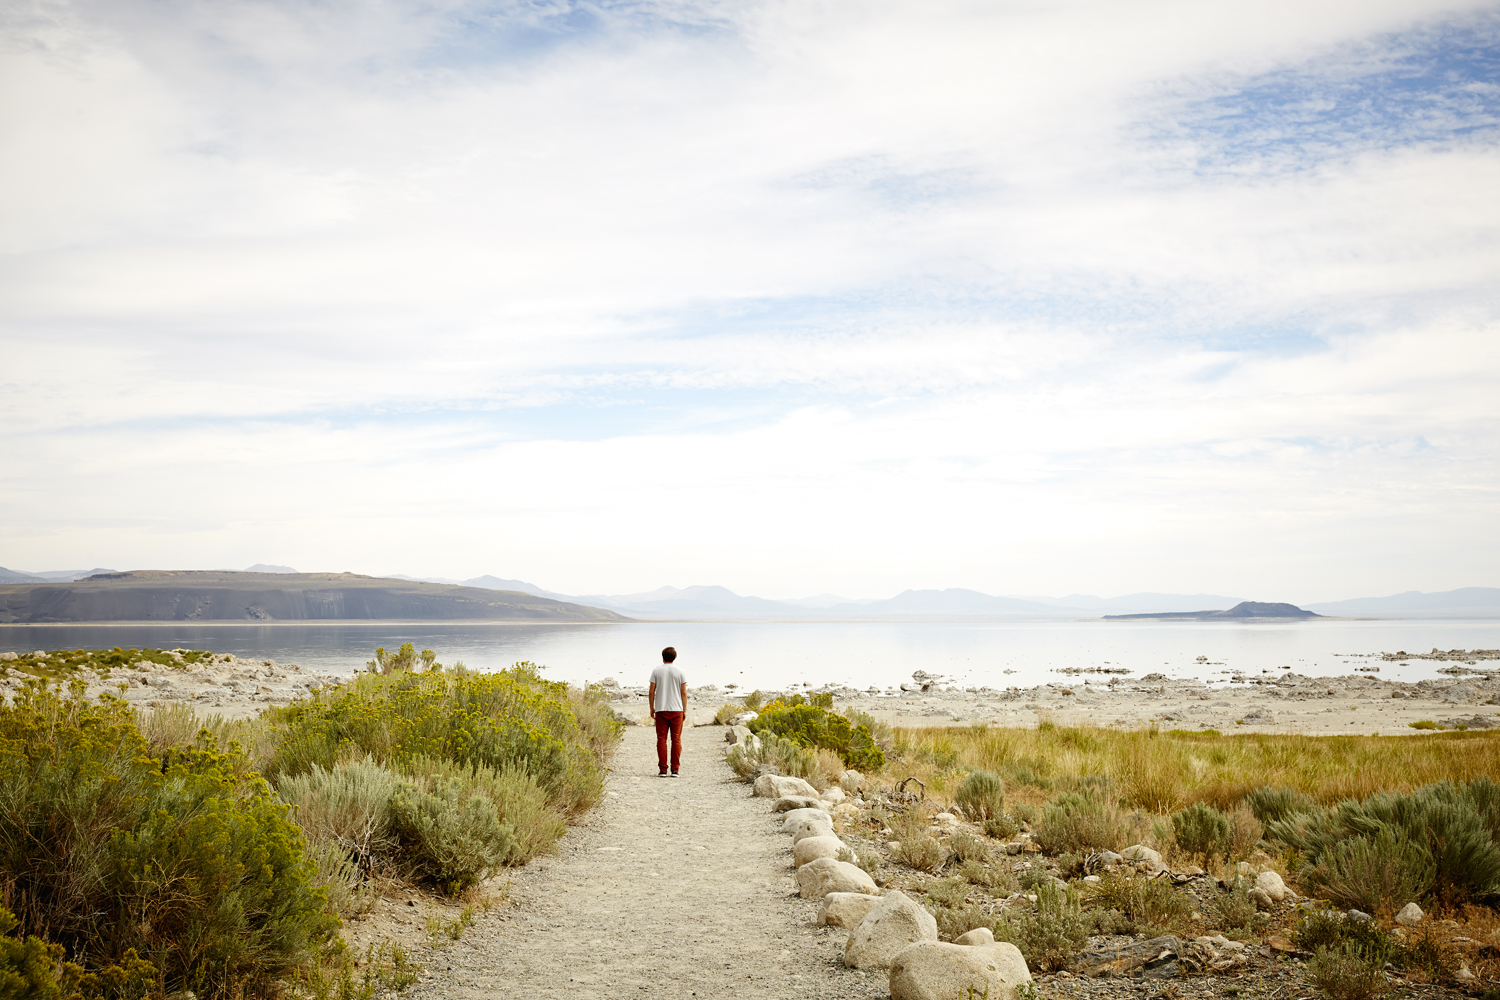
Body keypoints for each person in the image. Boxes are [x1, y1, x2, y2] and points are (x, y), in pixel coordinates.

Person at [648, 646, 687, 777]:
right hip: (677, 710)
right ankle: (675, 769)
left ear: (662, 657)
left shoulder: (656, 671)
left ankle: (663, 770)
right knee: (676, 739)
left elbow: (651, 691)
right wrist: (684, 710)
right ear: (674, 657)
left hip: (661, 709)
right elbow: (684, 693)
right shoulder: (680, 671)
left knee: (661, 740)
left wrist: (651, 708)